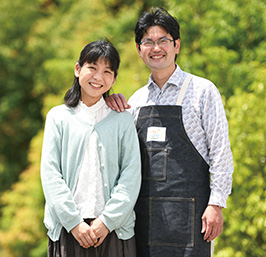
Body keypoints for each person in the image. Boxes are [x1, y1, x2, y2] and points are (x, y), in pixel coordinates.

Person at [105, 7, 233, 257]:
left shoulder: (202, 91)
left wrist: (216, 204)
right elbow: (123, 159)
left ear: (177, 45)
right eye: (148, 42)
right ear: (139, 49)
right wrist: (107, 104)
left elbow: (220, 153)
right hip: (143, 219)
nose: (156, 48)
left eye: (163, 40)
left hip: (193, 219)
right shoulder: (136, 100)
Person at [40, 39, 141, 257]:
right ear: (78, 69)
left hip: (114, 232)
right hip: (68, 231)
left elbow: (131, 176)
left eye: (107, 71)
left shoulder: (123, 120)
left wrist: (107, 221)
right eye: (92, 68)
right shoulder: (58, 118)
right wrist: (74, 222)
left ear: (114, 78)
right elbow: (50, 175)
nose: (98, 77)